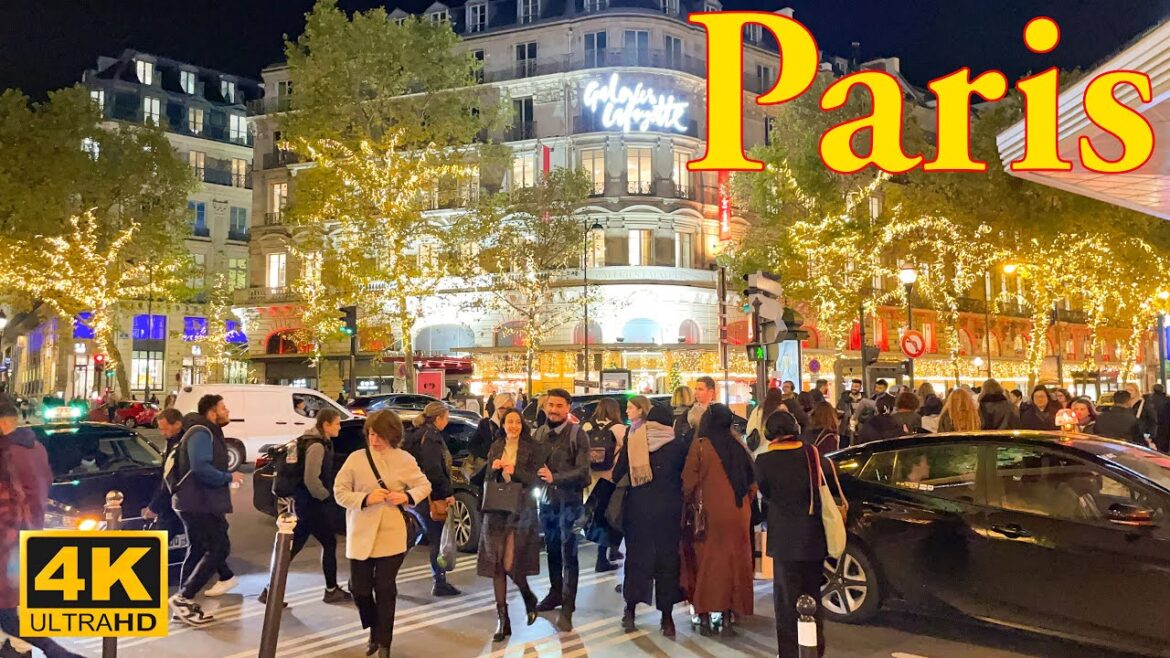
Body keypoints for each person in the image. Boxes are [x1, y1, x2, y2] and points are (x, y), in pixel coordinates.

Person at [334, 410, 431, 658]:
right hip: (361, 532)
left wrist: (406, 496)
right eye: (371, 434)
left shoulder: (404, 459)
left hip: (392, 532)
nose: (375, 440)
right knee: (360, 589)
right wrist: (365, 498)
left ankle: (384, 642)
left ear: (393, 435)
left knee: (385, 588)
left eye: (380, 435)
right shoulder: (356, 459)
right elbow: (340, 492)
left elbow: (424, 485)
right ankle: (373, 629)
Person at [756, 411, 841, 658]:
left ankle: (790, 652)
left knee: (786, 603)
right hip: (813, 536)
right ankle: (815, 648)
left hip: (783, 539)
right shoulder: (814, 456)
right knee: (812, 596)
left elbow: (767, 494)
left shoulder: (764, 461)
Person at [0, 412, 85, 658]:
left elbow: (11, 504)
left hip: (9, 543)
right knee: (10, 617)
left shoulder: (8, 453)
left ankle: (60, 654)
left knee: (8, 617)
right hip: (23, 539)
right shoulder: (35, 447)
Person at [260, 408, 350, 606]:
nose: (339, 427)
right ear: (326, 425)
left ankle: (270, 590)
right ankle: (330, 590)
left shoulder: (309, 440)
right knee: (324, 543)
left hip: (303, 503)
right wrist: (325, 496)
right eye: (336, 423)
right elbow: (311, 478)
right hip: (311, 504)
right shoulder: (317, 446)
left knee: (297, 547)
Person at [167, 395, 244, 626]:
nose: (227, 410)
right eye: (223, 407)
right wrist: (228, 476)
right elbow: (200, 467)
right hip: (199, 503)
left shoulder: (204, 431)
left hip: (196, 501)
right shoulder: (201, 432)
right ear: (212, 412)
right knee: (219, 547)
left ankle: (182, 603)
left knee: (199, 548)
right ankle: (184, 598)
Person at [681, 404, 756, 637]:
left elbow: (688, 483)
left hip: (710, 515)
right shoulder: (739, 446)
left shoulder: (701, 446)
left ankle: (703, 613)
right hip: (739, 513)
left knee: (708, 563)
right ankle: (727, 615)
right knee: (734, 562)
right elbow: (752, 482)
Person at [613, 404, 685, 637]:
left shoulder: (634, 441)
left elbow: (617, 475)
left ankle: (630, 611)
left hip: (638, 512)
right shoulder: (678, 445)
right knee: (667, 563)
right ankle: (667, 618)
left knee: (636, 561)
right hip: (669, 514)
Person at [478, 409, 543, 643]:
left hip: (520, 510)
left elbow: (537, 480)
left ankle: (528, 597)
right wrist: (494, 469)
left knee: (509, 563)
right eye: (509, 422)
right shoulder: (496, 446)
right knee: (496, 564)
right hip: (496, 510)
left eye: (517, 422)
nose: (513, 426)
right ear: (503, 425)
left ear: (521, 425)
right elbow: (486, 480)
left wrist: (515, 472)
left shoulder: (532, 447)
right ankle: (502, 619)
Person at [532, 389, 589, 632]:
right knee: (553, 552)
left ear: (568, 407)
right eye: (550, 405)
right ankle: (555, 593)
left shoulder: (578, 435)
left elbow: (584, 473)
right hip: (547, 503)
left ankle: (568, 606)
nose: (553, 410)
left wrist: (556, 477)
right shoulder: (542, 433)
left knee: (569, 554)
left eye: (558, 405)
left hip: (570, 504)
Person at [403, 402, 460, 597]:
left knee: (415, 534)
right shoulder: (431, 438)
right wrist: (446, 493)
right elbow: (434, 470)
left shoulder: (415, 434)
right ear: (438, 419)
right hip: (427, 495)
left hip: (412, 493)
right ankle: (440, 581)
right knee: (436, 536)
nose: (448, 420)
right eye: (446, 417)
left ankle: (383, 572)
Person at [582, 398, 626, 572]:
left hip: (592, 480)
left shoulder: (587, 427)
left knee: (597, 517)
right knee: (612, 517)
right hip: (610, 478)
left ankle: (609, 553)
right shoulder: (619, 429)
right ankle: (605, 557)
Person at [143, 408, 184, 530]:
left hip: (175, 503)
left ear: (177, 424)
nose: (162, 433)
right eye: (160, 429)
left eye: (165, 429)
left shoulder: (180, 446)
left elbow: (168, 480)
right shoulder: (172, 441)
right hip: (175, 503)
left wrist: (154, 507)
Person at [746, 388, 784, 454]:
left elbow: (749, 429)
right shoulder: (782, 409)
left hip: (760, 450)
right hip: (778, 448)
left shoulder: (758, 409)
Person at [837, 379, 864, 445]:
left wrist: (859, 419)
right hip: (845, 430)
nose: (854, 388)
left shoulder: (864, 400)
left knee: (858, 451)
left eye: (856, 386)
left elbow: (868, 414)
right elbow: (838, 411)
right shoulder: (843, 399)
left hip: (859, 431)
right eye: (852, 386)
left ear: (860, 388)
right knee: (843, 451)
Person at [1147, 384, 1170, 452]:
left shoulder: (1149, 399)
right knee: (1164, 446)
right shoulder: (1167, 399)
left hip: (1152, 427)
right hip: (1165, 427)